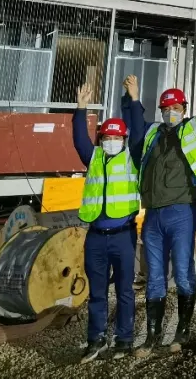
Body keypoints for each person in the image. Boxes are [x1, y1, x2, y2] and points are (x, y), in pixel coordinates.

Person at [126, 59, 196, 357]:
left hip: (182, 211)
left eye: (176, 108)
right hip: (153, 215)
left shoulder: (194, 128)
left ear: (184, 109)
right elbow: (135, 128)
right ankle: (152, 336)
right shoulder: (152, 133)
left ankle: (181, 332)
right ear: (160, 111)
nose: (171, 112)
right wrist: (133, 98)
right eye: (166, 108)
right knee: (155, 277)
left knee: (183, 272)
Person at [73, 83, 139, 363]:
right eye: (107, 137)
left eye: (116, 137)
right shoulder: (94, 157)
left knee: (125, 291)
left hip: (123, 236)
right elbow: (79, 139)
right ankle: (96, 339)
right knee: (97, 293)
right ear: (101, 139)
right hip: (96, 237)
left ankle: (124, 338)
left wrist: (133, 100)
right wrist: (81, 108)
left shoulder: (132, 157)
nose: (111, 141)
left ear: (124, 139)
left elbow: (139, 129)